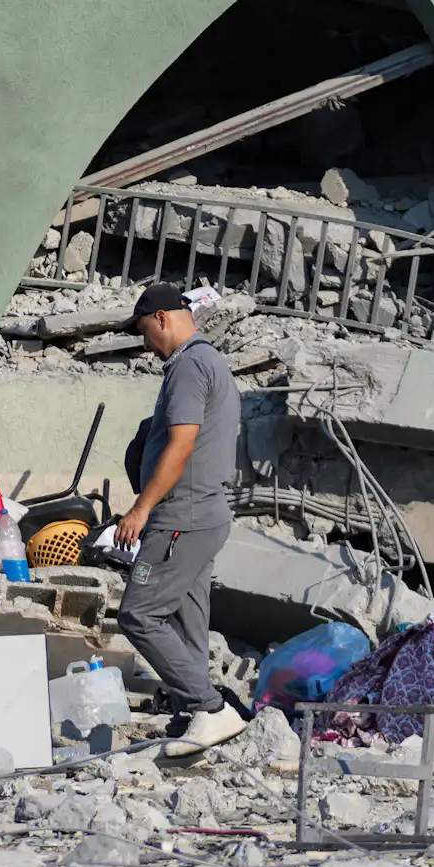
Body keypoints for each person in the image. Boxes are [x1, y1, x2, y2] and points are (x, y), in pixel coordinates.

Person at [115, 282, 248, 758]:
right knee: (189, 625)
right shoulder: (207, 363)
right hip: (201, 517)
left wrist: (142, 507)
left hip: (180, 518)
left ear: (163, 319)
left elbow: (182, 444)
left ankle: (211, 708)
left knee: (139, 614)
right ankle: (198, 719)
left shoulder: (190, 365)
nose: (145, 342)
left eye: (144, 330)